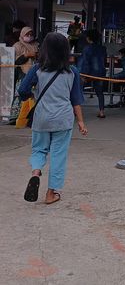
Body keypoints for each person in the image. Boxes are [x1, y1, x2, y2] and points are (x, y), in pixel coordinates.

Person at [18, 32, 88, 204]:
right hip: (63, 119)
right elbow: (76, 99)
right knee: (58, 154)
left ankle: (35, 173)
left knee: (39, 149)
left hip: (41, 117)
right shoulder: (72, 72)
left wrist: (31, 95)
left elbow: (22, 90)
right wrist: (80, 122)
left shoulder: (37, 69)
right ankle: (51, 194)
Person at [78, 29, 107, 119]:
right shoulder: (102, 48)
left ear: (88, 38)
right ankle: (101, 111)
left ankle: (76, 111)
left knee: (79, 91)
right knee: (100, 92)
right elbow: (104, 61)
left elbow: (85, 62)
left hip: (89, 74)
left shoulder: (87, 48)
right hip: (100, 73)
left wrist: (83, 74)